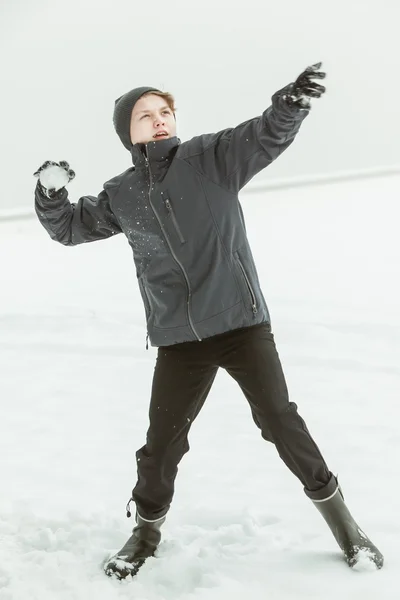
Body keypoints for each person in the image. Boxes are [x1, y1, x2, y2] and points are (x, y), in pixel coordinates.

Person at [33, 62, 383, 578]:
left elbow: (263, 134)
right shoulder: (123, 194)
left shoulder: (207, 158)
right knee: (162, 444)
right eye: (144, 115)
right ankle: (146, 530)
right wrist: (50, 193)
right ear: (126, 133)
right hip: (179, 338)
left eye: (165, 112)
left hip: (241, 324)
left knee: (281, 423)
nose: (158, 120)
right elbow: (69, 228)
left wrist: (288, 105)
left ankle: (345, 525)